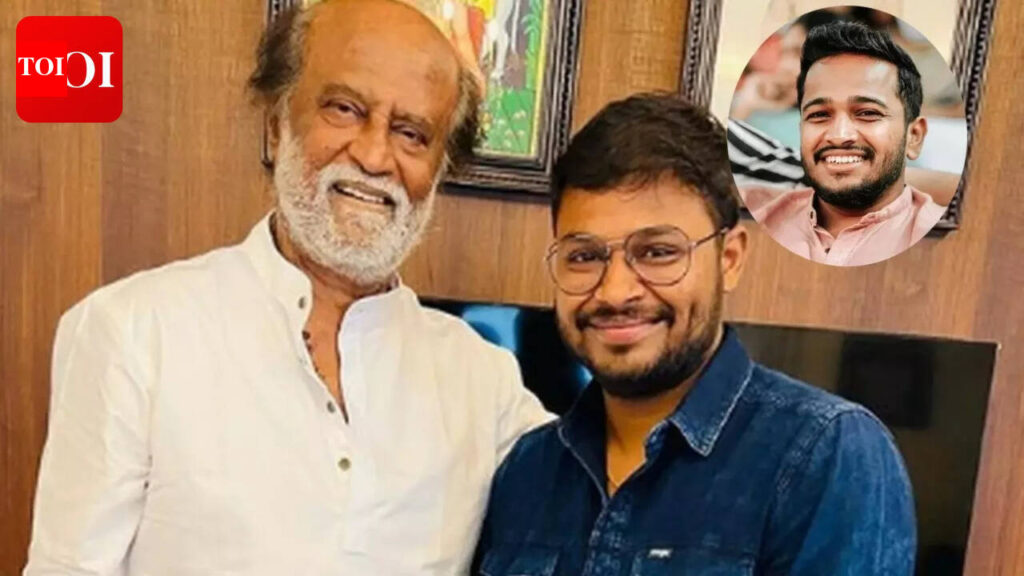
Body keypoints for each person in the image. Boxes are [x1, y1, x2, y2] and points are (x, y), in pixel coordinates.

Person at [23, 1, 549, 575]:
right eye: (345, 109)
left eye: (412, 134)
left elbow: (601, 494)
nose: (375, 155)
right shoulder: (134, 332)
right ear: (277, 125)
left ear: (439, 169)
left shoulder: (484, 383)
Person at [473, 93, 916, 575]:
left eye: (658, 252)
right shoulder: (528, 469)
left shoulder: (824, 455)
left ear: (730, 259)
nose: (615, 291)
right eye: (584, 256)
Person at [739, 21, 946, 266]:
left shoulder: (946, 241)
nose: (839, 135)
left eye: (867, 113)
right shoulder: (753, 216)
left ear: (914, 136)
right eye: (819, 115)